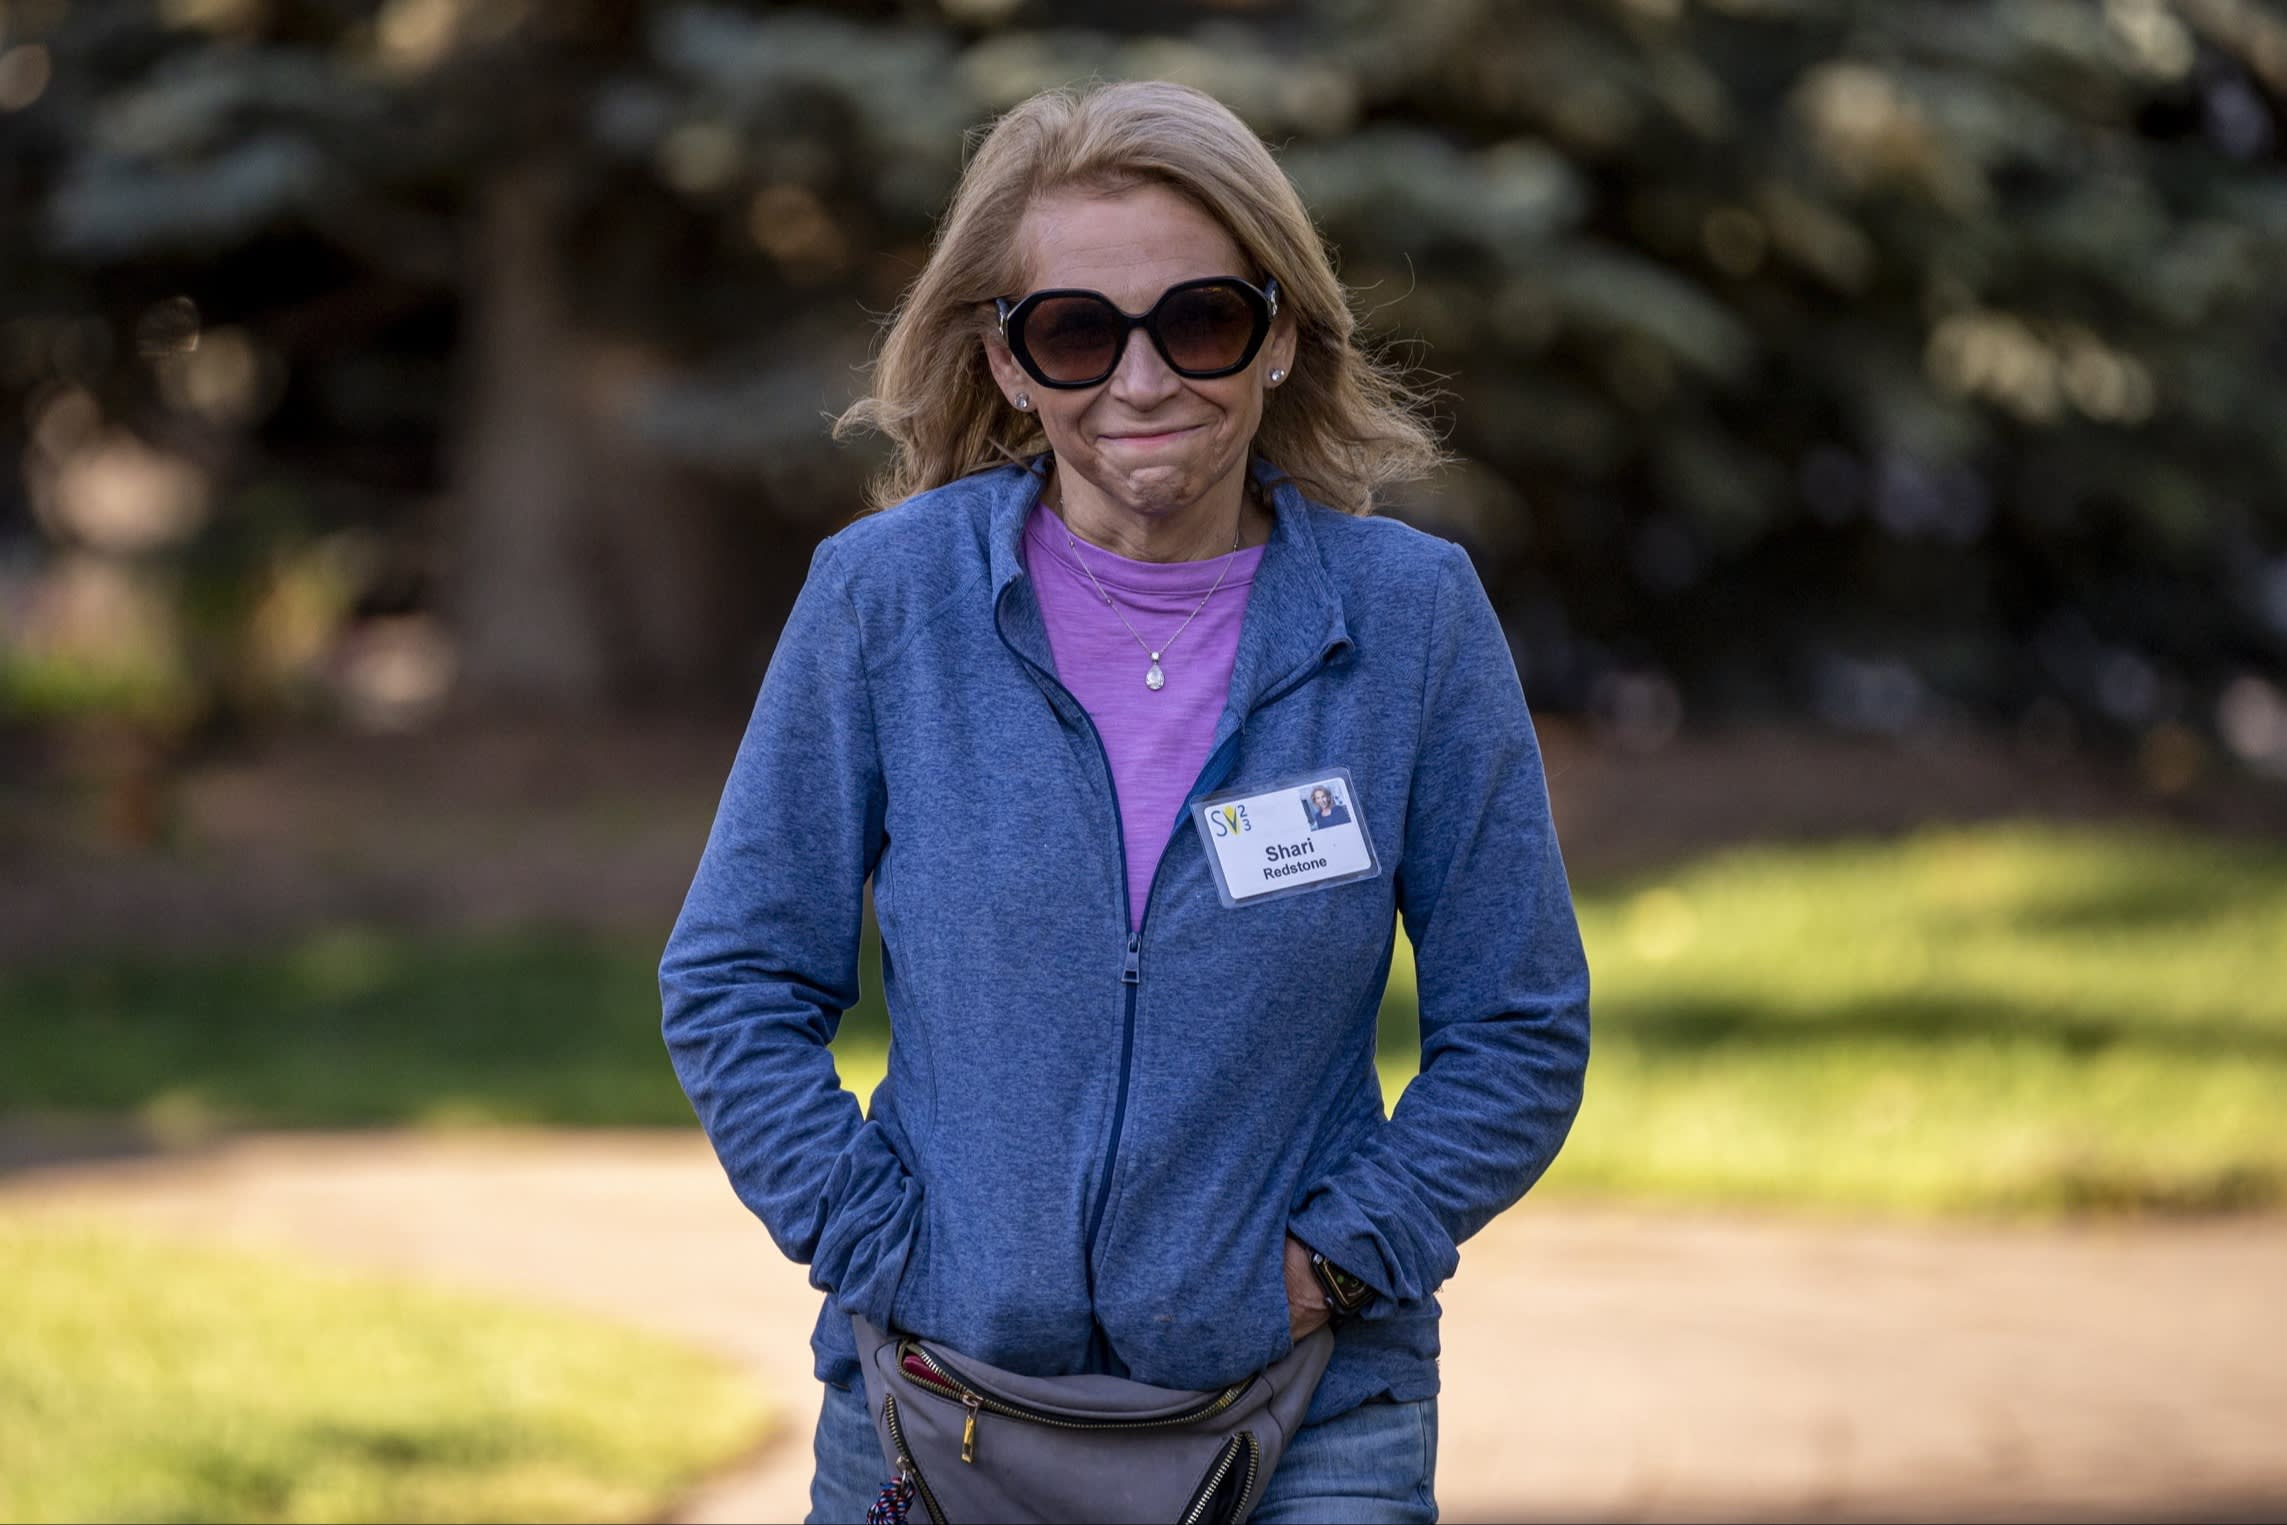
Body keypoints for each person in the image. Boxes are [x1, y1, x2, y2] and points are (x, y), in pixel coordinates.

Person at [659, 79, 1590, 1525]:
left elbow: (1519, 1027)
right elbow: (733, 977)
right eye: (1077, 331)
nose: (1142, 381)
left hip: (1311, 1417)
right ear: (1008, 360)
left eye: (1199, 321)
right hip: (937, 1414)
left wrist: (1337, 1266)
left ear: (1280, 334)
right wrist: (890, 1248)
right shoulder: (885, 599)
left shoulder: (1412, 619)